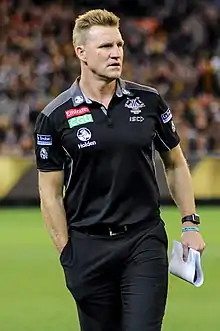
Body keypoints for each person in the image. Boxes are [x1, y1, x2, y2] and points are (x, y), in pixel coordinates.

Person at [34, 9, 205, 331]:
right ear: (81, 53)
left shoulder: (149, 101)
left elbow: (176, 162)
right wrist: (67, 255)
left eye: (120, 45)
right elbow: (50, 193)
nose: (116, 53)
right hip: (88, 247)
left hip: (144, 240)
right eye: (105, 47)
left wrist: (189, 223)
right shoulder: (55, 116)